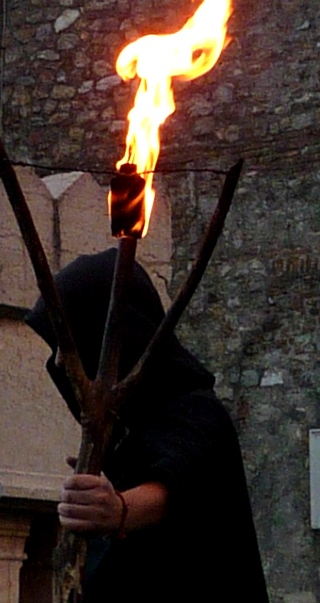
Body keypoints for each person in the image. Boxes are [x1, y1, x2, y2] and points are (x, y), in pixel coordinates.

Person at [25, 249, 268, 603]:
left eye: (70, 342)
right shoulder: (128, 432)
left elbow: (175, 483)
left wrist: (119, 510)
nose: (60, 360)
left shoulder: (195, 411)